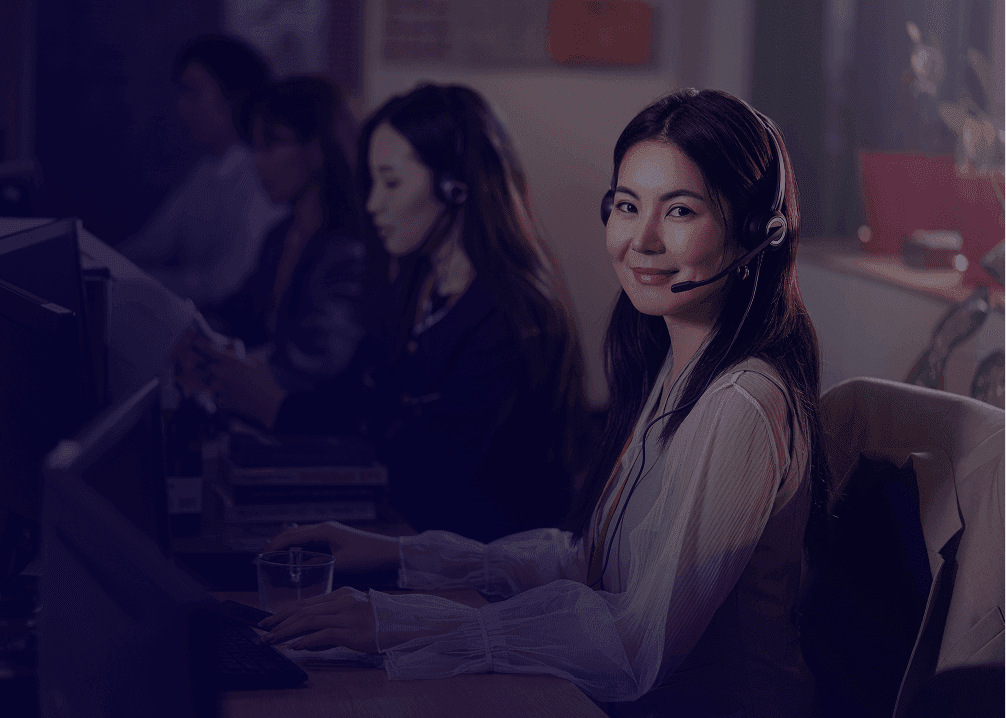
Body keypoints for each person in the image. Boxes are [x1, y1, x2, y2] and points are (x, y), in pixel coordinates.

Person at [252, 89, 830, 718]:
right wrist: (396, 554)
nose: (641, 239)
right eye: (627, 206)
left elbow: (637, 645)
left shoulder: (740, 402)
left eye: (681, 211)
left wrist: (405, 623)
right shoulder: (674, 366)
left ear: (757, 232)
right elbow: (586, 563)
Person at [185, 84, 586, 542]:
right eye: (372, 183)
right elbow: (364, 396)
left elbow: (439, 473)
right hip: (416, 532)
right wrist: (278, 406)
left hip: (482, 557)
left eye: (391, 183)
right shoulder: (417, 283)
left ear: (455, 185)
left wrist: (282, 409)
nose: (373, 204)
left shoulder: (514, 317)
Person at [202, 76, 367, 392]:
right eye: (255, 147)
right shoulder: (280, 236)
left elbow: (321, 359)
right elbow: (240, 314)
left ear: (317, 148)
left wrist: (230, 368)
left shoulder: (349, 249)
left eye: (271, 145)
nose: (257, 164)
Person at [116, 35, 285, 308]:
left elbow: (226, 286)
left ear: (233, 99)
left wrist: (131, 280)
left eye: (193, 91)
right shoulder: (206, 171)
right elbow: (152, 244)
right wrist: (97, 260)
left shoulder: (260, 179)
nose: (181, 105)